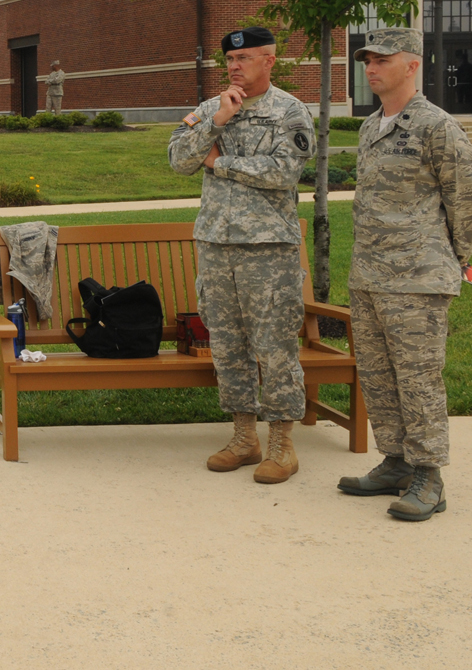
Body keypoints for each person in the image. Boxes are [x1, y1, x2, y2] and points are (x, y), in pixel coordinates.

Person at [169, 26, 314, 483]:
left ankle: (283, 445)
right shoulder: (213, 108)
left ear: (269, 61)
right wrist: (215, 125)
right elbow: (177, 158)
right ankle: (244, 438)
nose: (234, 66)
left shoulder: (289, 112)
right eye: (230, 60)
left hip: (267, 248)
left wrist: (218, 162)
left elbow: (283, 172)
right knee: (228, 346)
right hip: (216, 244)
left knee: (274, 347)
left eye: (245, 58)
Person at [338, 27, 472, 521]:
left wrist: (465, 258)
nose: (370, 68)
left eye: (381, 60)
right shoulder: (373, 126)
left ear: (411, 64)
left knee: (418, 380)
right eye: (366, 60)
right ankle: (395, 461)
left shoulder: (436, 126)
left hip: (417, 276)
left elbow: (463, 196)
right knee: (378, 375)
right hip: (370, 274)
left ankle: (429, 477)